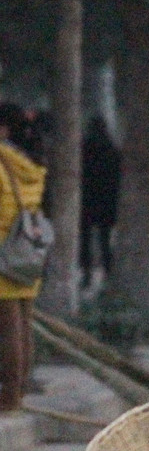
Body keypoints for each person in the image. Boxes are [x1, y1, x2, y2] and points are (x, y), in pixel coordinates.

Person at [0, 102, 49, 411]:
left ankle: (9, 394)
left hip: (3, 251)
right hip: (26, 251)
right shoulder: (30, 164)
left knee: (8, 328)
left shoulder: (3, 163)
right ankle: (20, 387)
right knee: (22, 323)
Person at [80, 115, 121, 288]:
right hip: (106, 201)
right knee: (105, 240)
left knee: (85, 239)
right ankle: (107, 272)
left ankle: (87, 274)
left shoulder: (84, 148)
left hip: (87, 200)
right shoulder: (112, 149)